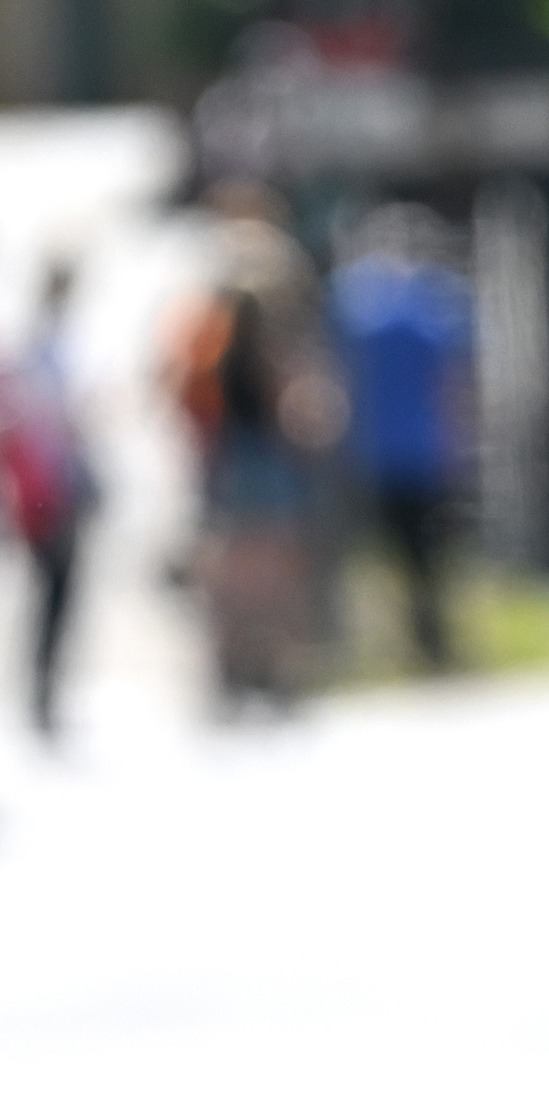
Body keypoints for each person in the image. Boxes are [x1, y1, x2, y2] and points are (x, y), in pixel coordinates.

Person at [173, 183, 339, 711]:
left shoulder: (207, 304)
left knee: (232, 564)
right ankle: (272, 670)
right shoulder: (265, 302)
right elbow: (285, 389)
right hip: (263, 448)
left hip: (223, 449)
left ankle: (233, 669)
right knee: (275, 562)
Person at [327, 205, 474, 677]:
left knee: (379, 552)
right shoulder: (437, 302)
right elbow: (452, 383)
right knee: (430, 554)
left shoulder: (352, 303)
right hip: (427, 448)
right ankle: (431, 638)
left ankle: (387, 640)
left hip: (369, 449)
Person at [0, 257, 98, 738]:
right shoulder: (40, 351)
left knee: (60, 595)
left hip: (62, 484)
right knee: (49, 594)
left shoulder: (52, 347)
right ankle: (37, 691)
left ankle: (48, 689)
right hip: (48, 489)